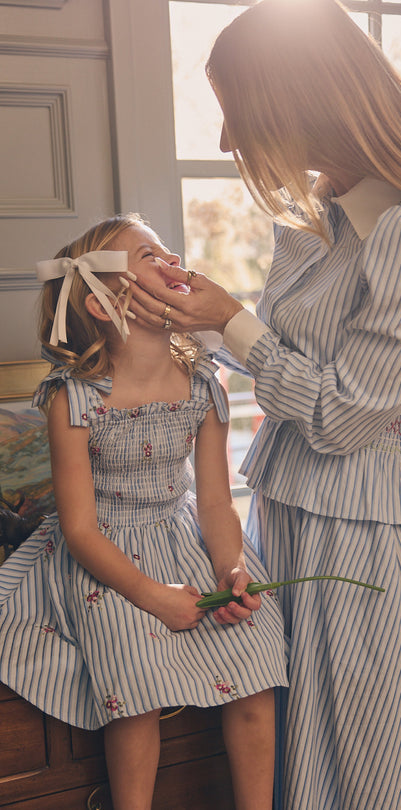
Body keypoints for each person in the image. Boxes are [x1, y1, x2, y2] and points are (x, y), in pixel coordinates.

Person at [121, 2, 401, 808]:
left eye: (237, 115)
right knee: (319, 752)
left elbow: (343, 417)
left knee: (372, 763)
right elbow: (296, 367)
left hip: (366, 539)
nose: (226, 142)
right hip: (298, 520)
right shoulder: (326, 221)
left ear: (296, 102)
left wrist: (230, 321)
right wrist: (188, 315)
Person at [0, 213, 288, 810]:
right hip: (104, 552)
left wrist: (232, 567)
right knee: (135, 685)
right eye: (149, 256)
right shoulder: (73, 396)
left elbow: (212, 501)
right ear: (105, 303)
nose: (172, 260)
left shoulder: (203, 383)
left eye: (167, 252)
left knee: (259, 662)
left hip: (178, 531)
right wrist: (152, 596)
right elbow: (77, 527)